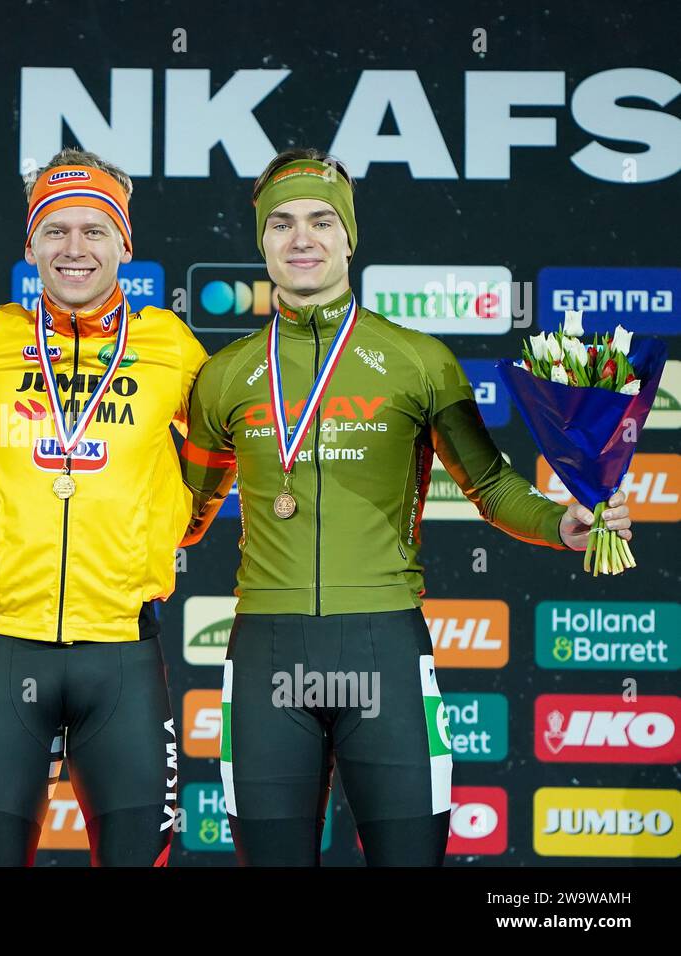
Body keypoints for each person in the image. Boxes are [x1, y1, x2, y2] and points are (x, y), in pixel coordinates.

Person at [179, 147, 634, 866]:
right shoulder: (224, 375)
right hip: (267, 648)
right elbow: (183, 511)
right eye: (283, 223)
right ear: (261, 239)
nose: (302, 238)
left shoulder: (420, 360)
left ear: (350, 237)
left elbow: (489, 485)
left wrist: (561, 521)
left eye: (322, 221)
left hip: (383, 648)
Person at [0, 148, 209, 866]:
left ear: (124, 244)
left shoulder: (170, 349)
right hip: (8, 647)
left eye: (94, 230)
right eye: (55, 230)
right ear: (30, 245)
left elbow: (228, 445)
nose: (74, 249)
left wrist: (183, 519)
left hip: (123, 655)